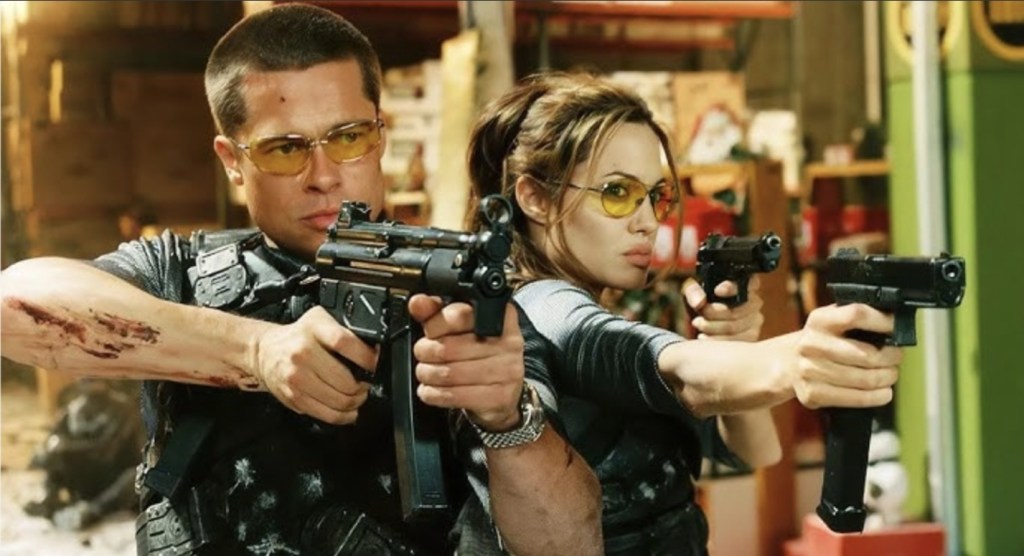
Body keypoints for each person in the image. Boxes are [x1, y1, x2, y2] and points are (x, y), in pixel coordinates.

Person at [0, 6, 601, 555]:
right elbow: (15, 306)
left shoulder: (458, 292)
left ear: (380, 134)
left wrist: (508, 420)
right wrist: (253, 350)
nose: (325, 175)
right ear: (232, 161)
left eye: (349, 138)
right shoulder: (180, 270)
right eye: (285, 150)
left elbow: (571, 544)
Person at [462, 72, 904, 555]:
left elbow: (756, 451)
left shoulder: (587, 304)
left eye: (657, 196)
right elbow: (666, 368)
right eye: (617, 193)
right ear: (536, 198)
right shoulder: (538, 307)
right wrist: (798, 357)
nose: (648, 222)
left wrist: (737, 346)